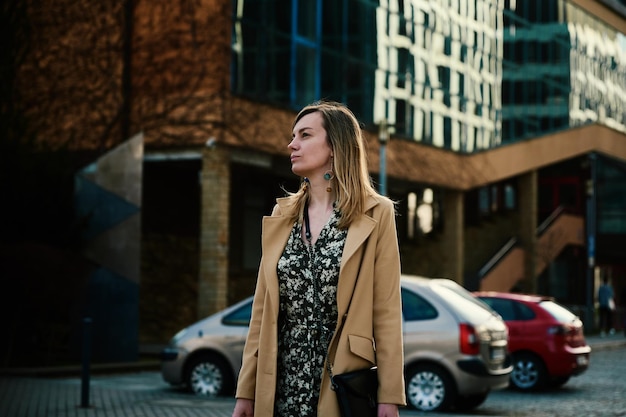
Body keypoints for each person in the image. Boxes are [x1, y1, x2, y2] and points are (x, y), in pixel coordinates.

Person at [232, 101, 406, 417]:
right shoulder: (282, 216)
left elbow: (387, 311)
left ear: (335, 147)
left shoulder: (375, 213)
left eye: (305, 135)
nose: (292, 144)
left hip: (342, 384)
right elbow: (262, 312)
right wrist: (246, 392)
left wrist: (389, 396)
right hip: (283, 385)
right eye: (293, 135)